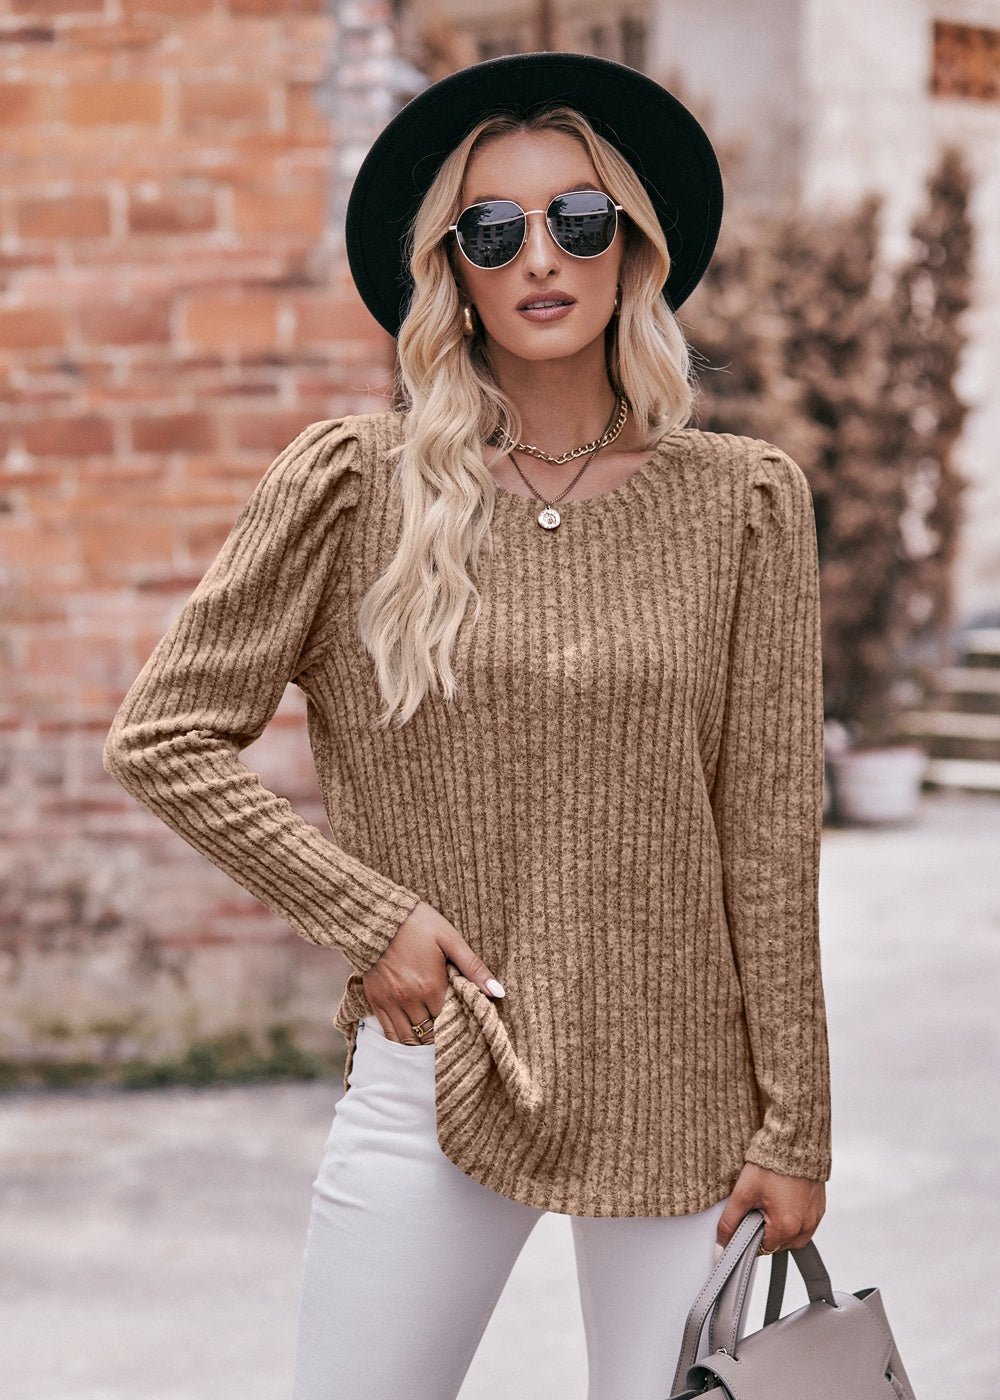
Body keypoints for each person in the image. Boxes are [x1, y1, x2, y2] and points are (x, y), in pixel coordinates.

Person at [103, 51, 831, 1400]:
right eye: (493, 230)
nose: (540, 256)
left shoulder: (744, 504)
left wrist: (798, 1129)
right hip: (441, 1068)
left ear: (634, 252)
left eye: (581, 219)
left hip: (685, 1093)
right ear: (454, 268)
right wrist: (370, 918)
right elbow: (164, 735)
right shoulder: (354, 482)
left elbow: (771, 843)